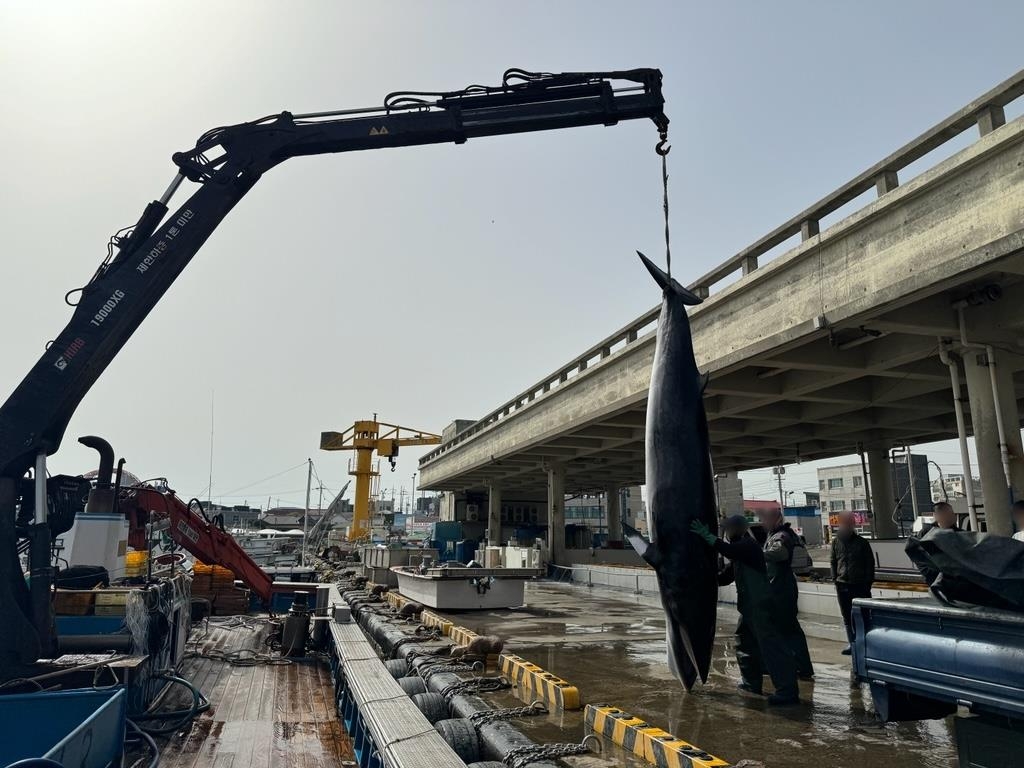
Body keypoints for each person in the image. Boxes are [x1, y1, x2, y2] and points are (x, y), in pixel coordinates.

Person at [691, 516, 800, 705]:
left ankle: (787, 691)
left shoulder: (747, 546)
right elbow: (725, 578)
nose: (726, 533)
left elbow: (727, 550)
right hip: (748, 609)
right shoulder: (738, 555)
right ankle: (751, 683)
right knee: (745, 645)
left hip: (761, 607)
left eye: (728, 529)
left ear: (738, 529)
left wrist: (708, 537)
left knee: (772, 648)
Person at [758, 507, 814, 679]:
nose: (762, 522)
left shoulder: (782, 536)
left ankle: (801, 666)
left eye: (765, 518)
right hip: (777, 588)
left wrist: (756, 553)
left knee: (788, 629)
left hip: (781, 590)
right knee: (780, 629)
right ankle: (788, 664)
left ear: (775, 519)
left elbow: (780, 553)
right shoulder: (774, 535)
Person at [830, 511, 875, 655]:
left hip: (860, 585)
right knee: (847, 616)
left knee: (863, 614)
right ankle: (852, 643)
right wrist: (835, 579)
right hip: (842, 584)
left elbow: (870, 564)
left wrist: (867, 583)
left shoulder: (862, 543)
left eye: (849, 522)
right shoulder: (836, 542)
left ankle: (865, 642)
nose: (846, 525)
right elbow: (833, 561)